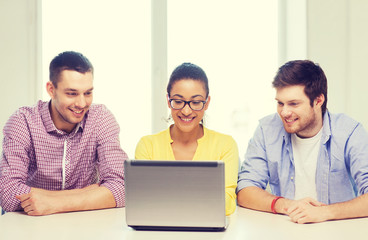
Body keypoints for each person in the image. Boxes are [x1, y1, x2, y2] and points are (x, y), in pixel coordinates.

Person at [237, 60, 368, 224]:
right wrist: (287, 205)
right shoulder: (266, 130)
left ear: (318, 101)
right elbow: (245, 190)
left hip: (337, 230)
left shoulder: (350, 132)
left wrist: (323, 212)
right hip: (285, 229)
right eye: (280, 103)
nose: (284, 112)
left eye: (294, 104)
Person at [0, 51, 127, 216]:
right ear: (51, 90)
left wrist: (52, 202)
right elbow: (7, 193)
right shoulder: (23, 121)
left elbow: (123, 187)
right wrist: (89, 193)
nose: (81, 103)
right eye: (72, 93)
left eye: (87, 93)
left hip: (85, 222)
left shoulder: (101, 118)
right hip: (31, 223)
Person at [135, 63, 239, 215]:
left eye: (196, 102)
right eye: (178, 101)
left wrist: (167, 199)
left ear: (207, 103)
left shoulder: (225, 145)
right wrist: (204, 198)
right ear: (168, 100)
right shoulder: (147, 146)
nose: (186, 110)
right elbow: (143, 201)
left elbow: (227, 203)